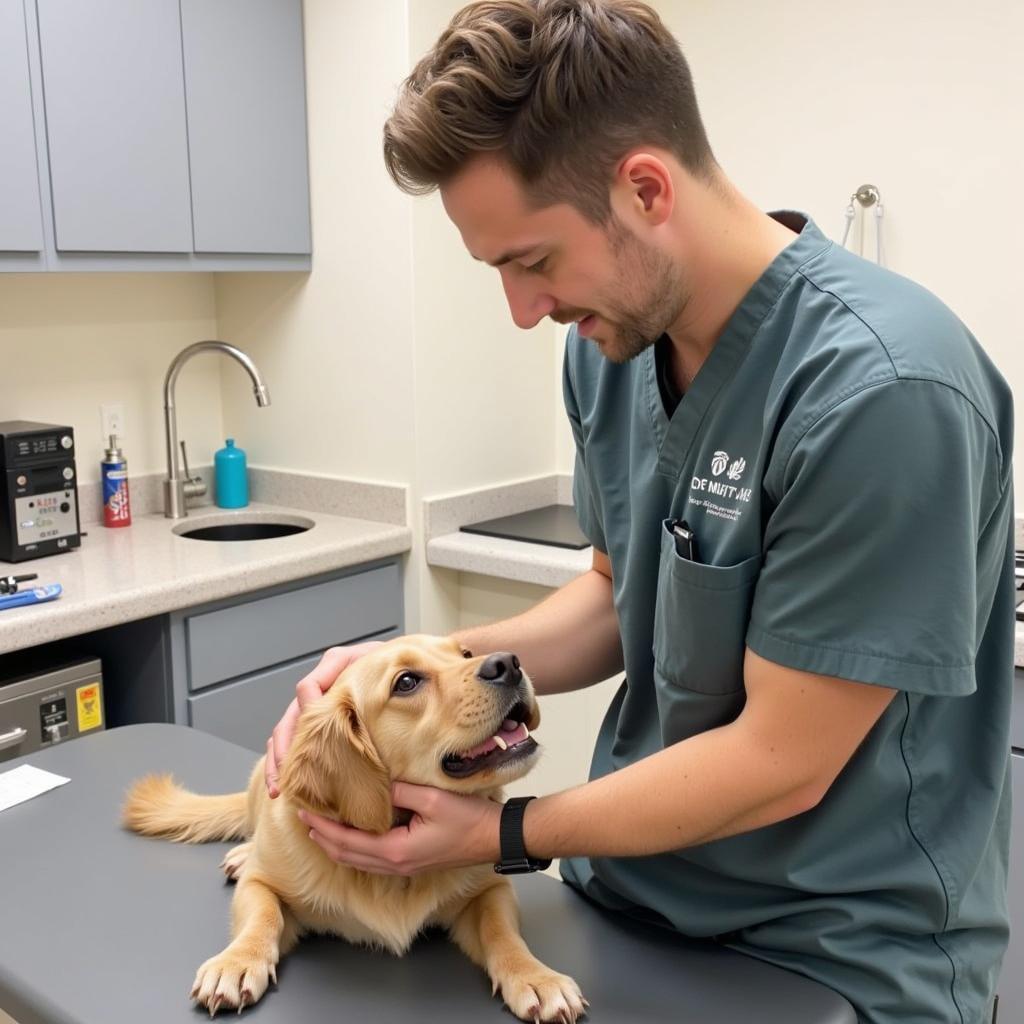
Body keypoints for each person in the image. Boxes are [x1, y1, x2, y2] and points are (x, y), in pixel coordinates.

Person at [264, 2, 1015, 1021]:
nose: (524, 311)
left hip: (837, 951)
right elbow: (618, 602)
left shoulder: (884, 392)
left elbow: (780, 765)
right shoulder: (607, 349)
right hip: (630, 894)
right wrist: (407, 663)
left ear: (646, 189)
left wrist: (500, 833)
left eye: (530, 262)